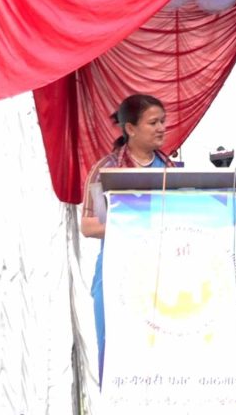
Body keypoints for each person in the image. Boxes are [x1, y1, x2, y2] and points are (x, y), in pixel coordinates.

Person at [81, 94, 175, 383]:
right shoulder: (106, 170)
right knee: (117, 357)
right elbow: (88, 226)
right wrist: (137, 222)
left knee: (161, 359)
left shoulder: (172, 170)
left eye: (163, 121)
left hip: (162, 276)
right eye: (153, 122)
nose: (161, 128)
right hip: (116, 276)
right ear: (131, 128)